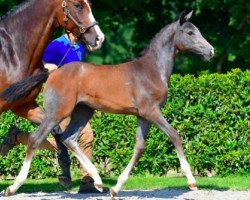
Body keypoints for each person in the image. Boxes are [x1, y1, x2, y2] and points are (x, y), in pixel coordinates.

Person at [0, 32, 98, 193]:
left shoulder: (79, 47)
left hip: (75, 99)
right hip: (59, 99)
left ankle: (17, 137)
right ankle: (87, 181)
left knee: (80, 137)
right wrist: (46, 67)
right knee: (76, 138)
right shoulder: (55, 45)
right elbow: (36, 64)